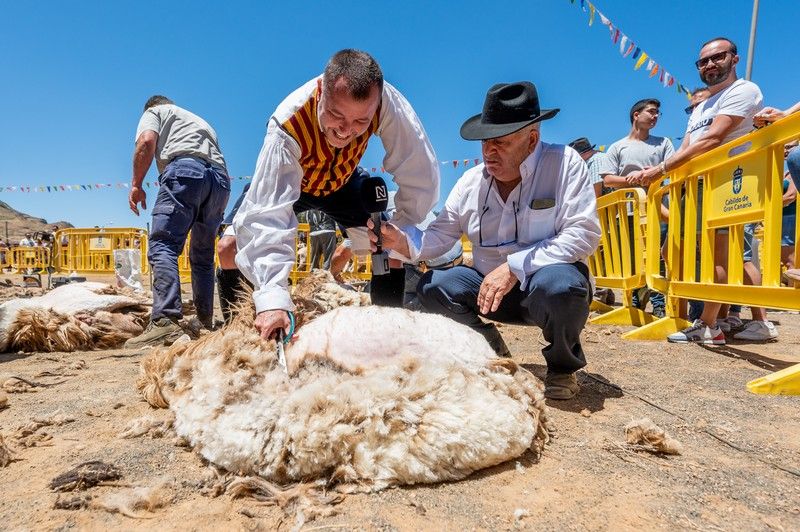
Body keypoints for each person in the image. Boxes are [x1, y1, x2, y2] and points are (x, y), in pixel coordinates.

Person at [371, 81, 600, 400]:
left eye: (501, 143)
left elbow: (583, 235)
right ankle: (491, 349)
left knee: (562, 285)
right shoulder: (470, 183)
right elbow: (440, 235)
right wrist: (401, 240)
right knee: (433, 285)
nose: (489, 152)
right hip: (488, 292)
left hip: (544, 288)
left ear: (532, 139)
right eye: (485, 142)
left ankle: (562, 368)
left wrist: (513, 267)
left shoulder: (564, 165)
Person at [230, 49, 439, 340]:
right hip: (295, 183)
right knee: (229, 247)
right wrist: (273, 298)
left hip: (342, 182)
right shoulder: (287, 124)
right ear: (321, 92)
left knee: (386, 241)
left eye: (360, 123)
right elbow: (268, 216)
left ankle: (389, 333)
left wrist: (402, 228)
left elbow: (419, 170)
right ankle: (235, 332)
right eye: (336, 115)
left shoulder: (387, 104)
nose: (345, 131)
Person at [634, 37, 775, 344]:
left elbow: (713, 139)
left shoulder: (743, 90)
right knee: (686, 252)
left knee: (723, 256)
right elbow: (688, 144)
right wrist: (669, 178)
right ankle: (706, 318)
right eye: (703, 61)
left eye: (718, 57)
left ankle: (710, 325)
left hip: (729, 181)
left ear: (734, 59)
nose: (710, 64)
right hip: (697, 187)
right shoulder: (702, 106)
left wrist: (660, 169)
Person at [125, 95, 231, 348]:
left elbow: (146, 141)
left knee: (163, 245)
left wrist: (137, 185)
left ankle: (165, 321)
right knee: (203, 255)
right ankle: (204, 319)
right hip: (220, 181)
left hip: (185, 172)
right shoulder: (200, 121)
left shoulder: (156, 111)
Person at [599, 98, 674, 318]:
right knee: (631, 257)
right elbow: (608, 180)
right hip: (628, 212)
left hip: (656, 209)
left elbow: (672, 171)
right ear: (636, 115)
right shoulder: (618, 146)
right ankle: (633, 301)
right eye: (651, 112)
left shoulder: (664, 143)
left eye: (658, 113)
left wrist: (655, 174)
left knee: (657, 256)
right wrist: (633, 180)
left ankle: (659, 304)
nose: (656, 116)